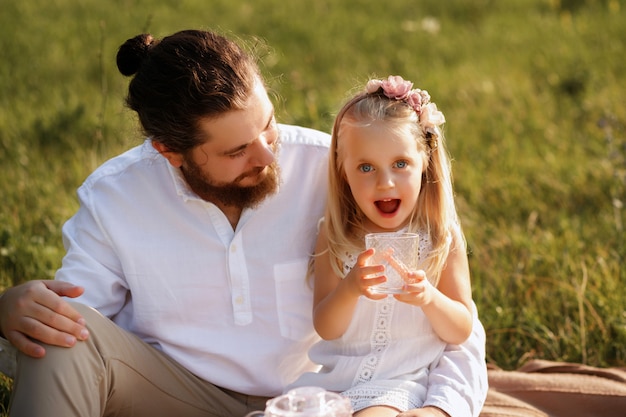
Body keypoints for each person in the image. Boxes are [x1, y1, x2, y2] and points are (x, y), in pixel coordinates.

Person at [0, 30, 487, 417]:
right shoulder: (114, 197)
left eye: (268, 124)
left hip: (319, 401)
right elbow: (72, 326)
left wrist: (443, 408)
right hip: (175, 397)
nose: (269, 153)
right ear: (168, 152)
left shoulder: (349, 169)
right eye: (237, 150)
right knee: (60, 331)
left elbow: (452, 319)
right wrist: (11, 310)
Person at [289, 76, 475, 416]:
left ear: (425, 165)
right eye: (366, 167)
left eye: (400, 164)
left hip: (399, 383)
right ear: (343, 172)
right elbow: (327, 327)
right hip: (334, 383)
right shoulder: (335, 237)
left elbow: (461, 328)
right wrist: (350, 288)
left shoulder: (438, 237)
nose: (384, 182)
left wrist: (429, 298)